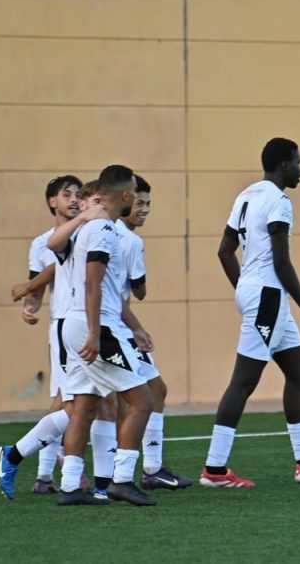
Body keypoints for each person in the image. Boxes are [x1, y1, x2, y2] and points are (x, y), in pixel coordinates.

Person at [200, 138, 300, 488]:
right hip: (268, 296)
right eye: (298, 162)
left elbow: (224, 252)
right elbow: (281, 262)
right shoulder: (279, 201)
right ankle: (214, 469)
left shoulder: (246, 196)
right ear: (283, 165)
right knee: (244, 381)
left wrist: (244, 289)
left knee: (299, 372)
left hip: (259, 294)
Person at [51, 165, 157, 506]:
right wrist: (96, 333)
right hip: (95, 326)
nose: (136, 201)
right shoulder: (104, 230)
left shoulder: (87, 227)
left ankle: (70, 486)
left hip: (73, 323)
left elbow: (55, 245)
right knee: (143, 402)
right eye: (134, 195)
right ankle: (122, 480)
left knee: (84, 406)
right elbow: (92, 284)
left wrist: (134, 327)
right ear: (125, 195)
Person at [0, 174, 83, 499]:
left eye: (78, 194)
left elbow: (42, 278)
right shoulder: (45, 241)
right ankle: (61, 471)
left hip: (86, 326)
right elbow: (40, 284)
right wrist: (30, 306)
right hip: (66, 326)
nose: (74, 199)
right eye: (67, 194)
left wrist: (28, 288)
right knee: (74, 402)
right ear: (52, 201)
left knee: (72, 401)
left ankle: (46, 474)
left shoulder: (84, 231)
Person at [116, 174, 193, 490]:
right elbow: (138, 292)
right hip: (111, 328)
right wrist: (136, 327)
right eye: (139, 203)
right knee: (91, 404)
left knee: (153, 391)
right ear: (123, 200)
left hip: (110, 324)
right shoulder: (128, 240)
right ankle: (34, 457)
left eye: (148, 203)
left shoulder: (104, 232)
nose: (145, 209)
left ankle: (151, 469)